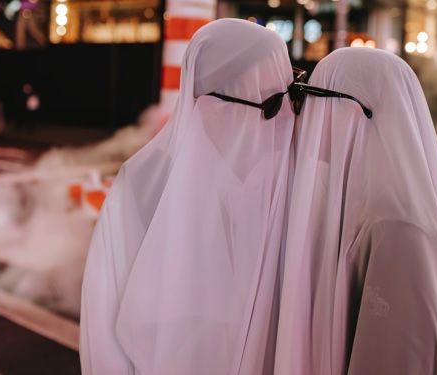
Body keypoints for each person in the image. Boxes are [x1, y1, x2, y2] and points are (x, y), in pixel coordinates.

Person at [79, 19, 297, 374]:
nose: (285, 118)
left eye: (291, 98)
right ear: (215, 102)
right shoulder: (142, 186)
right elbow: (104, 332)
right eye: (271, 102)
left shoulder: (288, 179)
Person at [275, 48, 437, 374]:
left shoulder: (399, 230)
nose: (307, 114)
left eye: (315, 97)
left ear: (357, 112)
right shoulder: (361, 202)